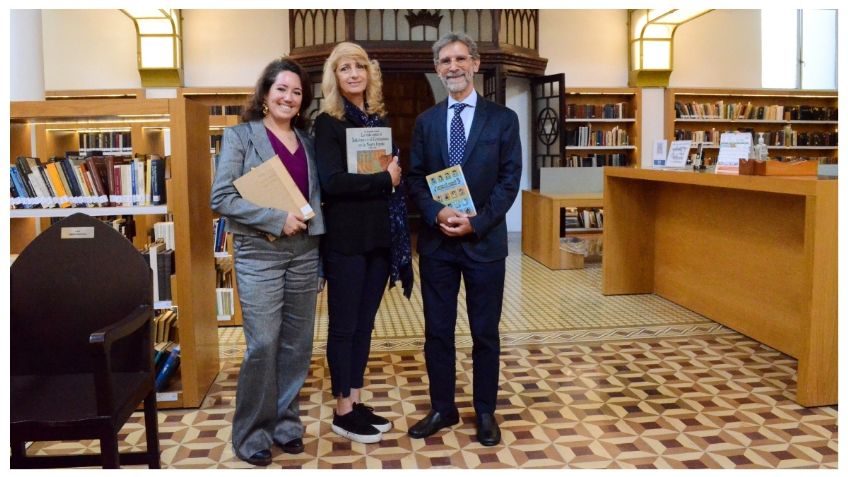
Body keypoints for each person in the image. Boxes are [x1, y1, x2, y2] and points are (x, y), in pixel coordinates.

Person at [406, 32, 522, 447]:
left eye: (460, 59)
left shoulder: (503, 119)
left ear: (475, 63)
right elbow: (416, 178)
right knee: (438, 331)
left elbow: (510, 181)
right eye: (444, 61)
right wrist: (437, 212)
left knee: (485, 332)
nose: (452, 67)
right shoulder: (427, 121)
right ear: (437, 69)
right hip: (438, 245)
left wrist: (479, 222)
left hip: (484, 244)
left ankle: (486, 411)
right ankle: (442, 407)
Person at [210, 57, 325, 466]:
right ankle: (251, 433)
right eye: (282, 89)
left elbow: (316, 202)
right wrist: (277, 218)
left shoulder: (308, 142)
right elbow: (221, 198)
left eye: (297, 92)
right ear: (264, 93)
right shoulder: (240, 137)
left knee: (297, 346)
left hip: (305, 255)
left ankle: (285, 425)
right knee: (262, 345)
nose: (289, 97)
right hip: (259, 254)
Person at [314, 42, 413, 444]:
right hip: (346, 241)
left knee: (365, 325)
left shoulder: (376, 121)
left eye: (360, 67)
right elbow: (332, 182)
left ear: (370, 74)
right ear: (334, 78)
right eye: (344, 69)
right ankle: (341, 411)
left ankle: (354, 400)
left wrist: (394, 176)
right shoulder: (327, 123)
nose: (353, 74)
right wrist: (384, 179)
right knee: (344, 326)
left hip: (379, 239)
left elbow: (386, 180)